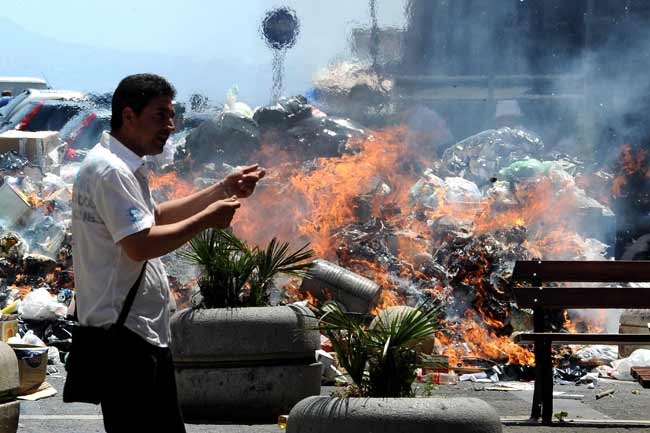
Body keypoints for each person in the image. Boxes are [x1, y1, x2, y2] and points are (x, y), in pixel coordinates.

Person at [71, 73, 265, 433]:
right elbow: (140, 244)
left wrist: (221, 189)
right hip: (126, 339)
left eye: (172, 116)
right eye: (160, 115)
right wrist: (206, 220)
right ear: (129, 116)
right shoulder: (111, 171)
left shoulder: (119, 164)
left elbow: (154, 217)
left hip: (139, 334)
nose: (171, 126)